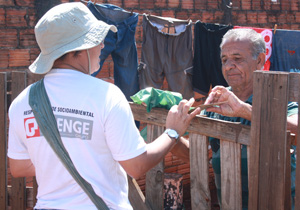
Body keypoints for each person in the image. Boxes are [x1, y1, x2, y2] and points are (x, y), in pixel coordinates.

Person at [7, 3, 200, 210]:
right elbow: (136, 166)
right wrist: (172, 131)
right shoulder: (106, 95)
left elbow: (18, 167)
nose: (101, 45)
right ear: (79, 49)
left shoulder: (23, 101)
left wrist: (65, 161)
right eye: (96, 39)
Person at [203, 28, 298, 209]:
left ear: (260, 60)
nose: (229, 66)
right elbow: (198, 149)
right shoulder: (218, 101)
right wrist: (171, 134)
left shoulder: (278, 98)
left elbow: (296, 127)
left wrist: (244, 110)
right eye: (224, 60)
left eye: (237, 59)